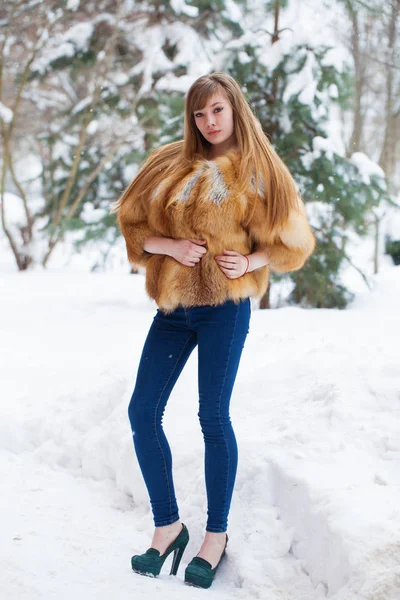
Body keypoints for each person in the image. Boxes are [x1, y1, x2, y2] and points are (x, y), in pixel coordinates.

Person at [111, 72, 315, 588]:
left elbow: (293, 244)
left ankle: (216, 537)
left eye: (217, 110)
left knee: (212, 416)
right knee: (142, 411)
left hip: (225, 308)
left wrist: (250, 261)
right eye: (200, 113)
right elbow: (133, 225)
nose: (209, 121)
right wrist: (170, 248)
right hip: (174, 310)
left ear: (234, 108)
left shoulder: (259, 169)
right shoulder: (168, 161)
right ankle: (168, 527)